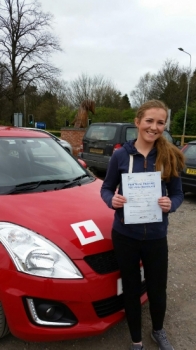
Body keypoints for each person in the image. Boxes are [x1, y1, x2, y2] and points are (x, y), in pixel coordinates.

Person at [100, 100, 185, 350]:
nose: (154, 127)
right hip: (125, 234)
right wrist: (111, 200)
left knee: (158, 288)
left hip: (156, 236)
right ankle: (136, 341)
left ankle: (158, 331)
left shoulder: (170, 156)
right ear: (137, 122)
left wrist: (172, 203)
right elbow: (106, 188)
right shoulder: (120, 155)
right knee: (132, 288)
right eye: (149, 121)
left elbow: (178, 194)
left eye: (160, 122)